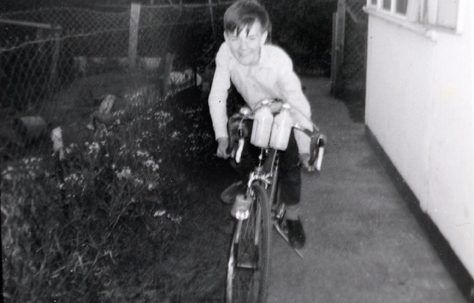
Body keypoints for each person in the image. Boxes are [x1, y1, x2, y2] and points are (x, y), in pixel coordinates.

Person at [208, 0, 315, 249]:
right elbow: (218, 95)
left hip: (284, 111)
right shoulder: (225, 53)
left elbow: (299, 104)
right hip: (256, 112)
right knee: (243, 153)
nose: (242, 46)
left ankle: (292, 218)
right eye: (234, 37)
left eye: (250, 37)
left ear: (263, 37)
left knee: (290, 163)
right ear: (225, 36)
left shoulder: (277, 62)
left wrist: (304, 146)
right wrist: (221, 136)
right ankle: (247, 190)